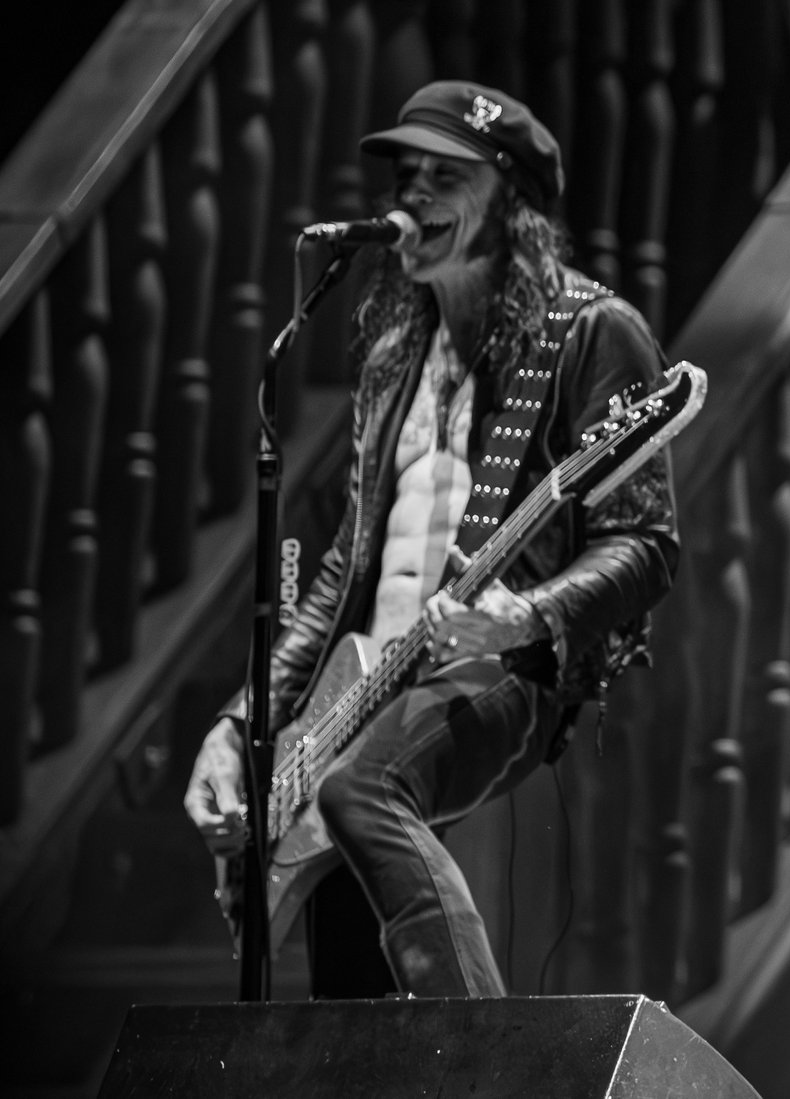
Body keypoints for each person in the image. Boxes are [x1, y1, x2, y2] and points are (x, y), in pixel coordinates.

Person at [181, 81, 679, 998]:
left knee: (360, 790)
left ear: (514, 204)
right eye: (407, 172)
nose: (413, 193)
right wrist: (243, 723)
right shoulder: (393, 359)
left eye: (447, 176)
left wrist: (525, 616)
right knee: (346, 973)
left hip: (504, 667)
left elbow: (646, 542)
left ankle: (482, 1056)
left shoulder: (590, 329)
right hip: (363, 688)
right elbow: (341, 573)